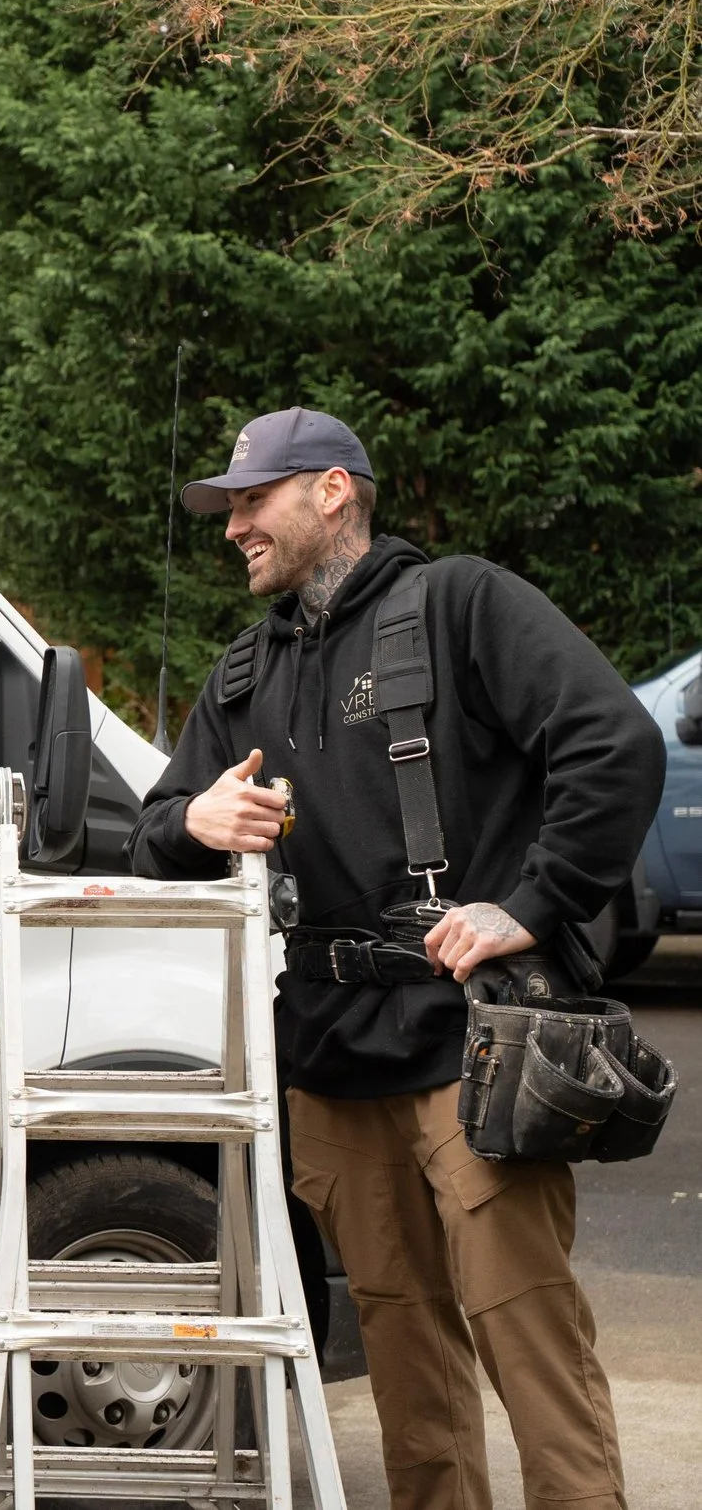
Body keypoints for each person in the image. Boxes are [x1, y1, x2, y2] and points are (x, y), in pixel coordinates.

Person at [129, 407, 660, 1510]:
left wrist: (528, 903)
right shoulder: (243, 671)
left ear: (332, 491)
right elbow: (152, 825)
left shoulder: (461, 602)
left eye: (251, 499)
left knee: (534, 1358)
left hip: (471, 1044)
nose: (232, 526)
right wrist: (199, 822)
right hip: (329, 1052)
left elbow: (614, 740)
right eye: (225, 506)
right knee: (409, 1378)